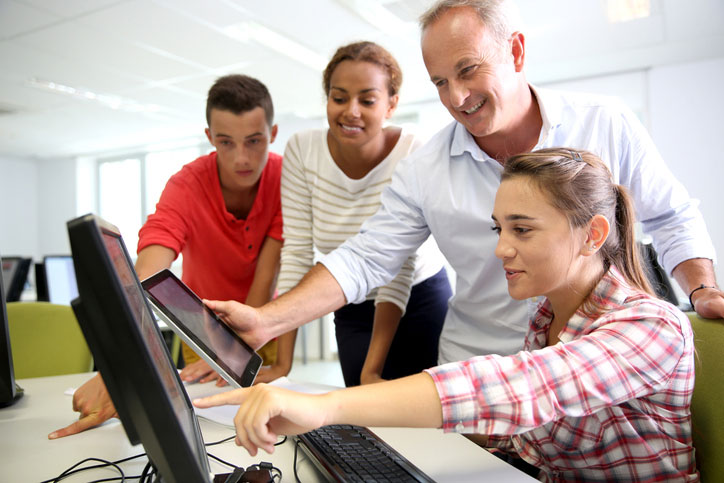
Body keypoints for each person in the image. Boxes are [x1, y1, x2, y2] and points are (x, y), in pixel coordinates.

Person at [198, 0, 721, 365]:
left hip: (592, 361)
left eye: (469, 70)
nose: (456, 97)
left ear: (515, 52)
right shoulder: (428, 166)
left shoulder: (604, 122)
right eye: (441, 82)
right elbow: (365, 258)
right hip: (482, 369)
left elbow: (669, 216)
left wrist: (702, 289)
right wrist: (269, 320)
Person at [195, 148, 698, 481]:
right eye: (498, 228)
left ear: (592, 235)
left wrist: (329, 408)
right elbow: (528, 432)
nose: (500, 249)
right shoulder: (551, 316)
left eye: (522, 230)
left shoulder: (651, 327)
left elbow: (522, 388)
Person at [48, 74, 286, 439]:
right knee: (211, 431)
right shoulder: (187, 185)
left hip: (263, 328)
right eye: (226, 142)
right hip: (201, 333)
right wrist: (119, 366)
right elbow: (146, 275)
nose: (242, 158)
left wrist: (236, 350)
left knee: (266, 428)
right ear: (209, 138)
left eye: (254, 141)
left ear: (272, 133)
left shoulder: (287, 178)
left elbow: (265, 279)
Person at [273, 41, 451, 387]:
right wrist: (283, 362)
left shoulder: (413, 151)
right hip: (349, 299)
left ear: (391, 105)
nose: (351, 111)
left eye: (367, 100)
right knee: (363, 415)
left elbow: (399, 265)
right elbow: (296, 253)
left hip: (418, 296)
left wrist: (374, 368)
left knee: (420, 415)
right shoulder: (302, 150)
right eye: (339, 98)